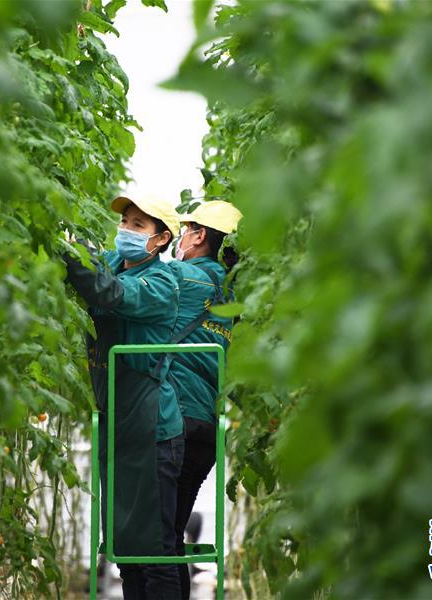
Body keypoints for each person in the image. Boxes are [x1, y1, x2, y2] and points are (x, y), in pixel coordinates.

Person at [63, 195, 184, 600]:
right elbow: (99, 274)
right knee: (125, 549)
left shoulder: (163, 283)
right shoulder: (113, 266)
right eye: (125, 222)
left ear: (161, 240)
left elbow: (111, 294)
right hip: (118, 426)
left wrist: (72, 255)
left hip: (152, 430)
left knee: (158, 552)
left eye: (137, 226)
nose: (125, 232)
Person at [166, 201, 242, 599]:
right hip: (206, 426)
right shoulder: (231, 290)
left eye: (184, 230)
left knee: (160, 540)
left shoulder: (182, 277)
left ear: (199, 236)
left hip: (174, 417)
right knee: (171, 534)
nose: (178, 239)